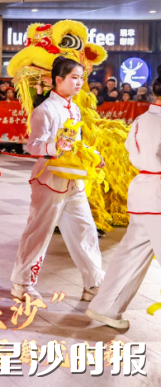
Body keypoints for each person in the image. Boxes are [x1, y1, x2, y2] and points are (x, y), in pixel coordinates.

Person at [10, 57, 105, 302]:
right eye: (74, 77)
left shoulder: (74, 108)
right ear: (58, 80)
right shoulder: (45, 110)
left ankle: (93, 283)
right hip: (49, 179)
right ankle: (22, 284)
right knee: (39, 231)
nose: (79, 82)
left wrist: (92, 155)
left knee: (85, 230)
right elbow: (32, 146)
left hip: (73, 180)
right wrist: (54, 146)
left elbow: (77, 142)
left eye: (81, 77)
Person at [86, 66, 161, 330]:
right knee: (130, 255)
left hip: (142, 191)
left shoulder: (142, 119)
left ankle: (104, 308)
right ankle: (105, 308)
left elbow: (131, 150)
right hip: (158, 194)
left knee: (129, 256)